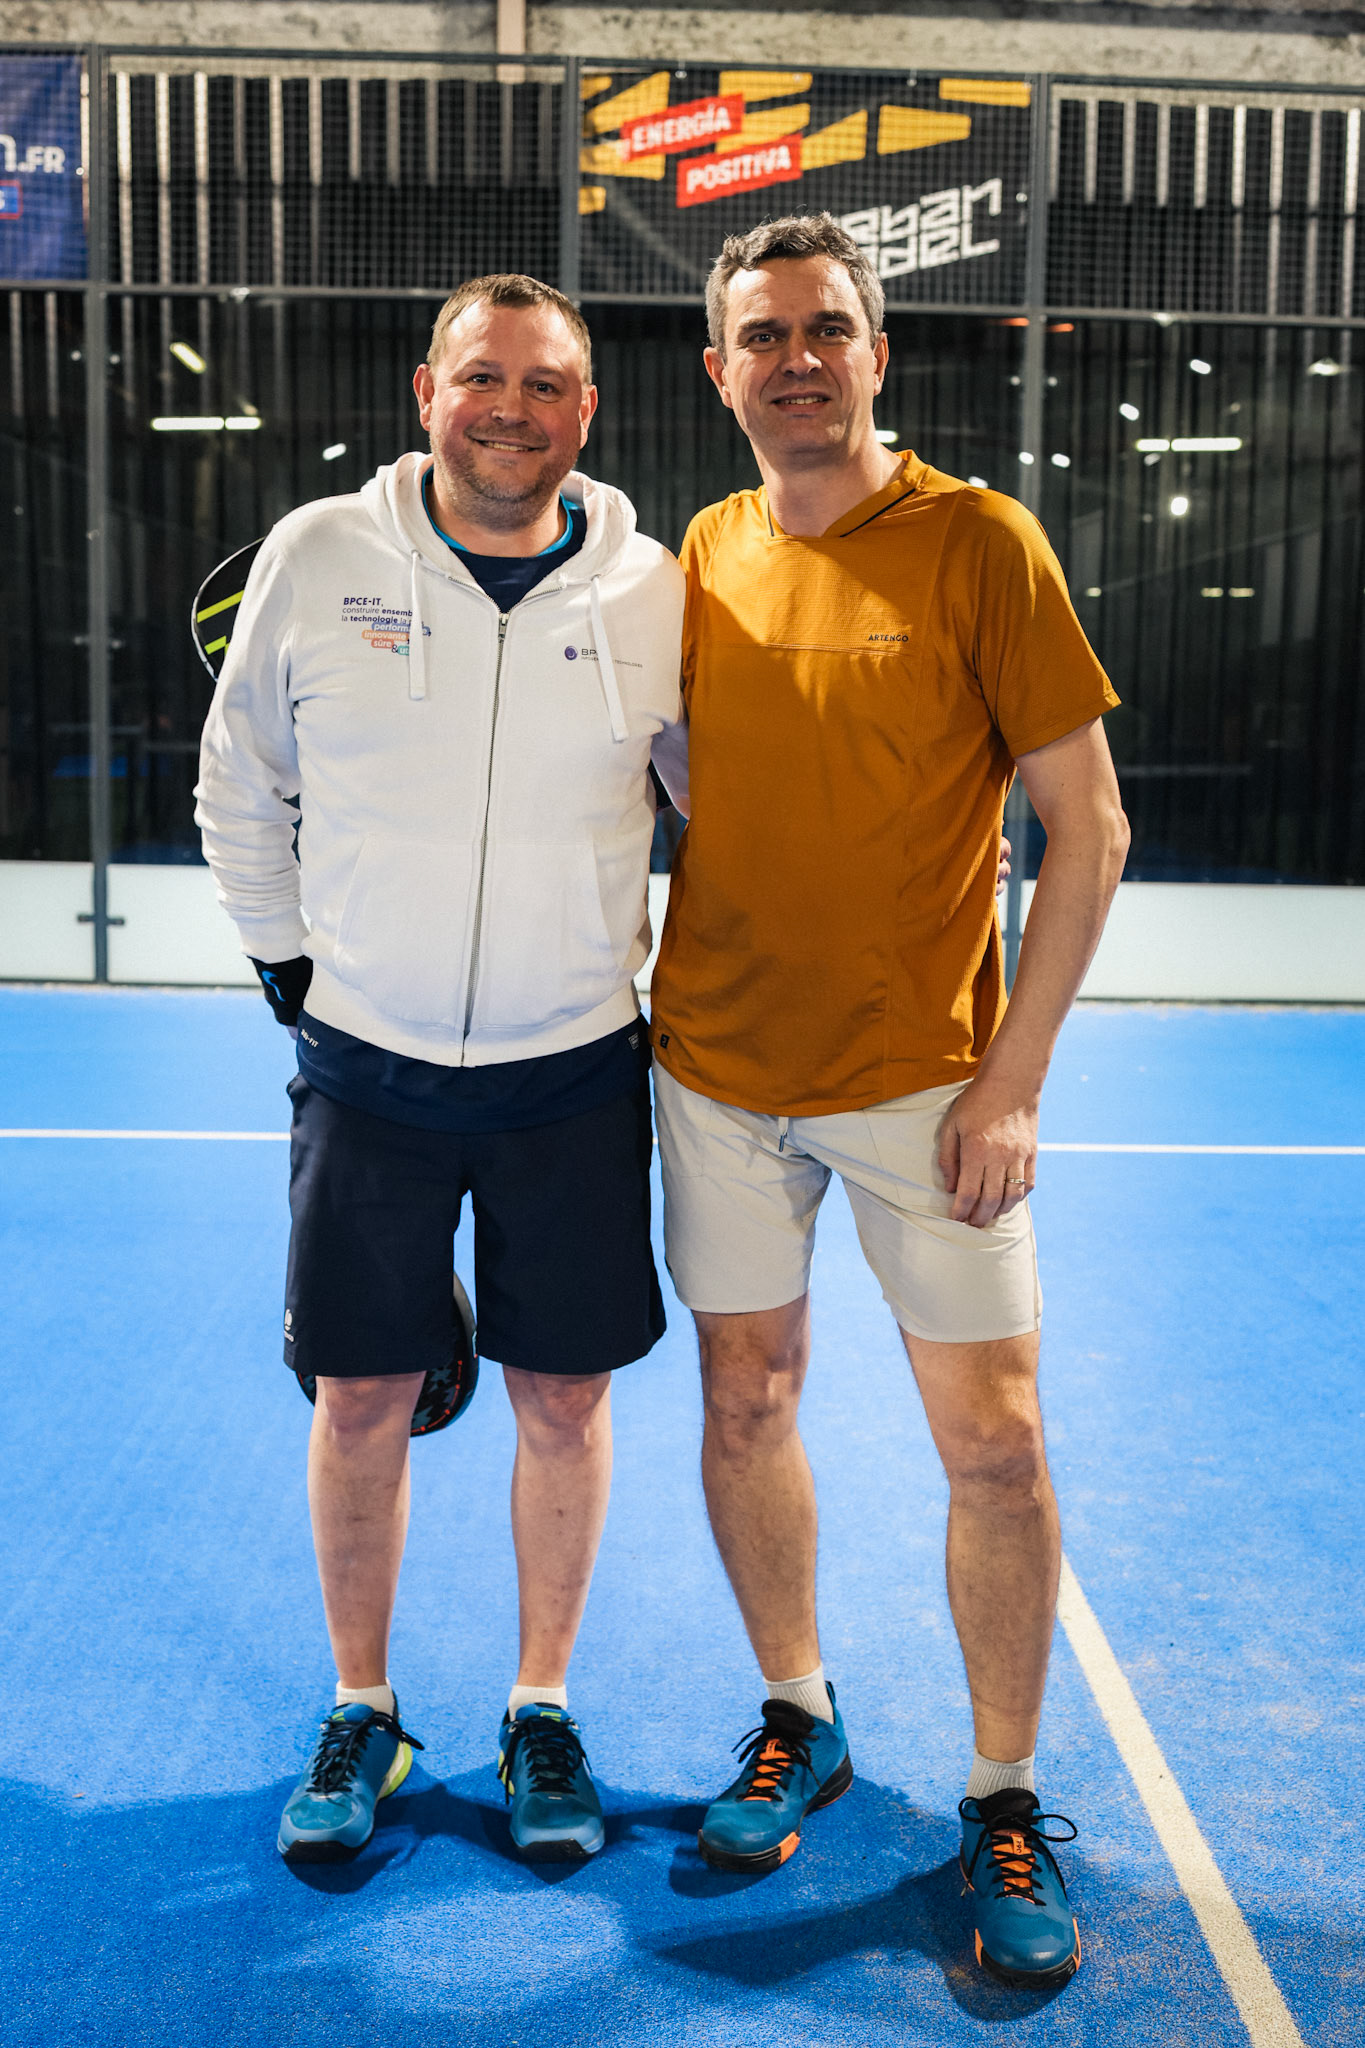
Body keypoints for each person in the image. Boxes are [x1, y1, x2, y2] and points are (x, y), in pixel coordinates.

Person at [648, 214, 1129, 1988]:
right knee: (744, 1401)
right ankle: (799, 1713)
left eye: (824, 330)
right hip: (711, 1075)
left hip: (930, 1091)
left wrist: (1014, 1083)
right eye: (763, 335)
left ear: (874, 353)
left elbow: (1089, 828)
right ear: (719, 371)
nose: (796, 360)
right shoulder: (699, 554)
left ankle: (999, 1797)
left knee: (993, 1446)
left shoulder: (980, 541)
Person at [195, 273, 686, 1865]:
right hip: (369, 1068)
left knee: (563, 1395)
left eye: (545, 385)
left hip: (572, 1066)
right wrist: (288, 964)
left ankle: (540, 1710)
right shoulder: (318, 555)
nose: (510, 411)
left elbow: (726, 805)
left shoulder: (654, 592)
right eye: (483, 377)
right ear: (427, 392)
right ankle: (364, 1709)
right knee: (359, 1395)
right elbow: (239, 775)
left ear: (586, 410)